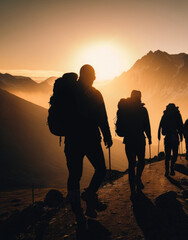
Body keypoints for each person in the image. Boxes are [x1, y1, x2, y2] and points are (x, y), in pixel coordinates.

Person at [65, 64, 113, 225]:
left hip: (72, 141)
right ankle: (90, 196)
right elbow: (103, 118)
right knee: (100, 169)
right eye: (92, 74)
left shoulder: (69, 91)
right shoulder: (95, 94)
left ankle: (78, 211)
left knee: (74, 176)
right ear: (86, 75)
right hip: (91, 139)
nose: (95, 77)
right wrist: (107, 136)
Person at [121, 90, 151, 201]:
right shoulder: (143, 110)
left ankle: (132, 191)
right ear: (139, 97)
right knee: (141, 161)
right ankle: (138, 179)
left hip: (129, 140)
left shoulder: (125, 110)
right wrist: (150, 137)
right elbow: (147, 125)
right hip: (139, 139)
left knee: (131, 164)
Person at [158, 103, 183, 176]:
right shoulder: (177, 115)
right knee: (175, 154)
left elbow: (160, 125)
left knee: (167, 154)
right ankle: (172, 168)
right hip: (175, 136)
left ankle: (167, 171)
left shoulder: (165, 115)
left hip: (167, 137)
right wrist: (181, 135)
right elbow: (180, 125)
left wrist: (158, 135)